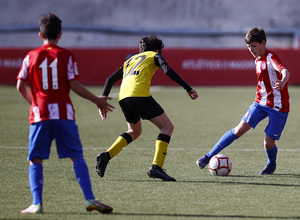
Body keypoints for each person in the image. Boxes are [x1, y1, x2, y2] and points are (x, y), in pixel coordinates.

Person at [17, 13, 114, 214]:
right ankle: (89, 199)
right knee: (76, 156)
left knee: (35, 158)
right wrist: (97, 100)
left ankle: (37, 203)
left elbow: (20, 85)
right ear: (60, 35)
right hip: (64, 115)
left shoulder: (31, 56)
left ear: (40, 34)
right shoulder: (67, 55)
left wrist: (33, 103)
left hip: (40, 115)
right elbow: (75, 85)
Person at [96, 35, 198, 181]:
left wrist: (103, 100)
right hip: (139, 96)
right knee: (167, 127)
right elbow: (167, 70)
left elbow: (110, 78)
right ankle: (156, 167)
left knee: (134, 131)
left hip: (123, 97)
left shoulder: (130, 60)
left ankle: (106, 155)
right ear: (157, 49)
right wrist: (188, 88)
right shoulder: (154, 55)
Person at [196, 27, 290, 175]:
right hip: (259, 103)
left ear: (263, 43)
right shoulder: (257, 59)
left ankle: (271, 164)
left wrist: (283, 81)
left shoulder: (271, 57)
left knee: (268, 142)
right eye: (248, 47)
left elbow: (285, 70)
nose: (251, 50)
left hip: (278, 106)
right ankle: (208, 156)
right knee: (238, 130)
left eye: (253, 46)